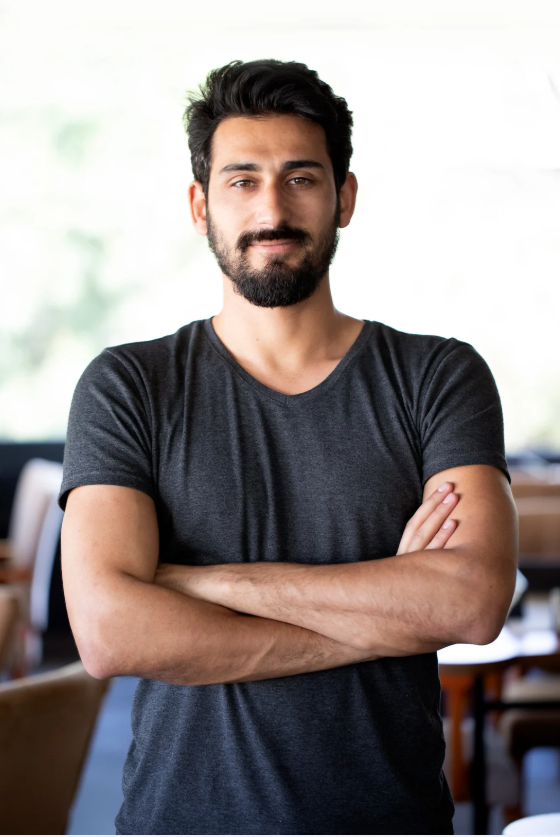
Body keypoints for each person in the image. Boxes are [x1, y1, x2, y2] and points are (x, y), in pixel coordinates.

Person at [60, 59, 518, 836]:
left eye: (301, 177)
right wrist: (383, 609)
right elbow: (110, 632)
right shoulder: (127, 385)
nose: (272, 208)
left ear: (344, 196)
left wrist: (195, 585)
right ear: (201, 204)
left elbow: (470, 604)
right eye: (242, 180)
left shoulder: (437, 375)